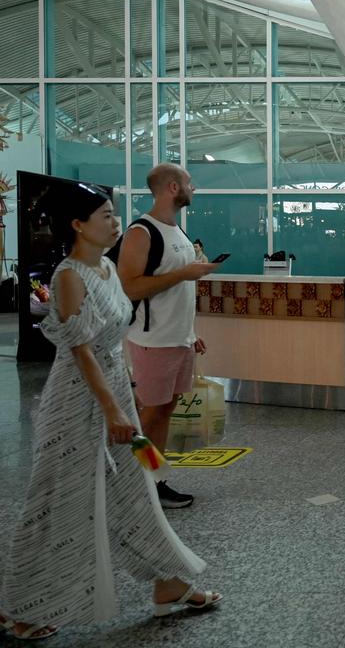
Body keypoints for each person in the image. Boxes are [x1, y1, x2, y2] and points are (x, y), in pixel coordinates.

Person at [0, 183, 221, 641]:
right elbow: (79, 351)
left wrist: (123, 399)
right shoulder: (68, 276)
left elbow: (109, 340)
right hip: (78, 402)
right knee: (57, 501)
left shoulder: (104, 267)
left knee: (136, 491)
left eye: (114, 214)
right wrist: (113, 410)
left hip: (114, 393)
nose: (115, 222)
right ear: (78, 225)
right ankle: (20, 605)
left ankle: (169, 584)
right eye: (105, 215)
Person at [117, 164, 219, 509]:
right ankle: (134, 483)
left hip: (178, 339)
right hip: (153, 341)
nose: (194, 188)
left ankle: (155, 480)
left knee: (164, 412)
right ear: (173, 187)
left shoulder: (177, 231)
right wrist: (184, 273)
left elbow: (177, 290)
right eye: (190, 183)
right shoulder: (141, 232)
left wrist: (191, 333)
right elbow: (129, 287)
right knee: (150, 414)